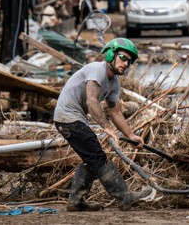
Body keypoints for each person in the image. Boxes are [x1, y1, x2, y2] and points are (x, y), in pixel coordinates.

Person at [54, 38, 153, 211]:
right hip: (67, 118)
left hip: (75, 119)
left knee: (91, 157)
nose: (126, 63)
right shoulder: (96, 70)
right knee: (97, 157)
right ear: (110, 55)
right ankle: (124, 197)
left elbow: (115, 112)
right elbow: (92, 102)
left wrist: (130, 135)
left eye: (129, 61)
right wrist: (107, 128)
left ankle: (76, 201)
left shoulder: (114, 82)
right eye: (122, 57)